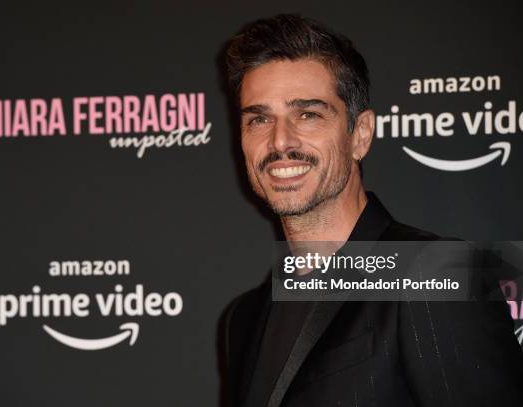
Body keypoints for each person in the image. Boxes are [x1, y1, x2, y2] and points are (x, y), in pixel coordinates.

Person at [221, 14, 523, 407]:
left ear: (359, 135)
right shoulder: (242, 319)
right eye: (259, 119)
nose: (280, 141)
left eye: (307, 114)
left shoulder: (435, 276)